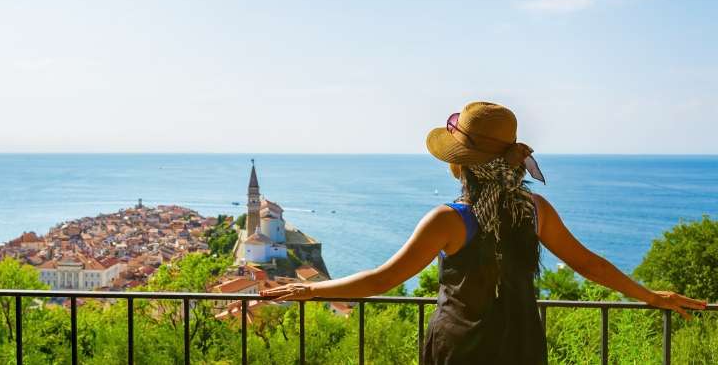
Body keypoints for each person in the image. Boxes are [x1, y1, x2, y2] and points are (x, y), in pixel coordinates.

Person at [260, 101, 707, 364]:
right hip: (521, 344)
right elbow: (588, 263)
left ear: (464, 165)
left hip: (460, 348)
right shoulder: (535, 210)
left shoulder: (448, 220)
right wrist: (649, 295)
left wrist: (310, 293)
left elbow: (383, 279)